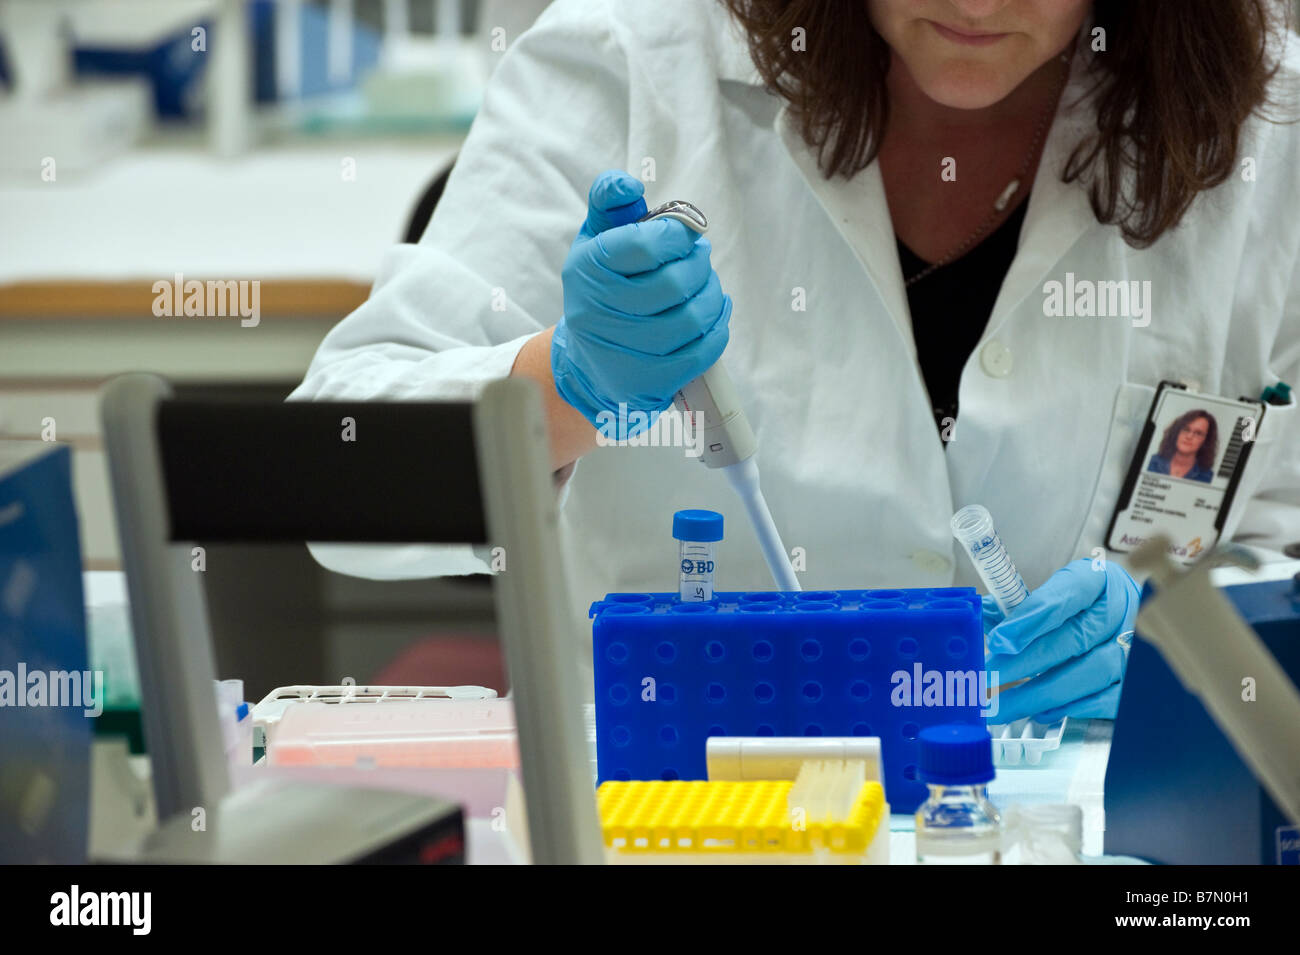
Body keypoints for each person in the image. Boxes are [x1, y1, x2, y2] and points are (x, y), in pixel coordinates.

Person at [291, 0, 1300, 723]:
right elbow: (328, 480)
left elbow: (1279, 543)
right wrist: (564, 384)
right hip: (688, 817)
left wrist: (1194, 640)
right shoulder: (631, 61)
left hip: (1088, 822)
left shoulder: (1270, 131)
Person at [1147, 411, 1218, 483]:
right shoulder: (1151, 463)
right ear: (1176, 432)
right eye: (1186, 429)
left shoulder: (1208, 477)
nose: (1189, 436)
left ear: (1206, 441)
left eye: (1198, 433)